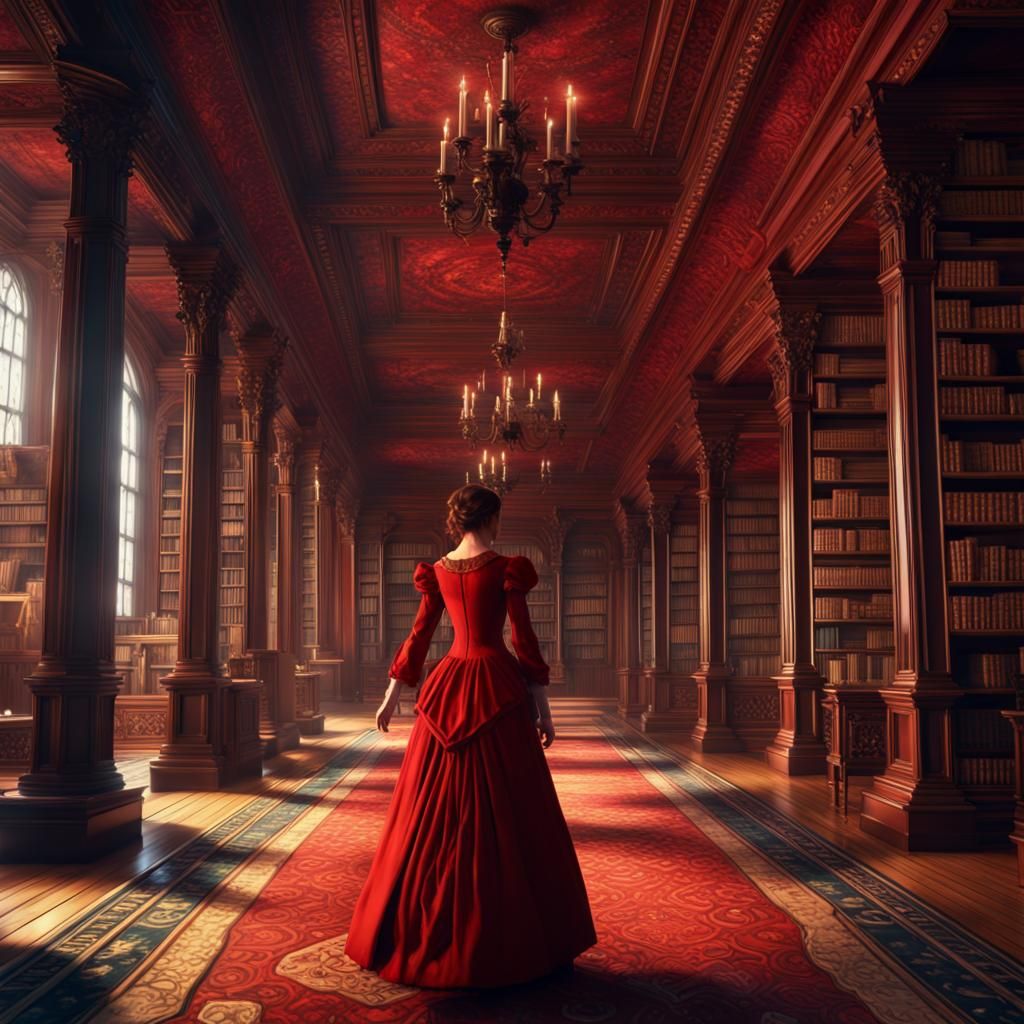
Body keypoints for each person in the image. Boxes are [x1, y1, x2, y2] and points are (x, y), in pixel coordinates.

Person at [345, 484, 596, 988]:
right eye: (498, 518)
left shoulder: (436, 570)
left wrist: (393, 693)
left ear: (459, 521)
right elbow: (524, 645)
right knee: (516, 804)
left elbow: (419, 635)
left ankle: (412, 930)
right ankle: (525, 936)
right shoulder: (507, 569)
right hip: (496, 683)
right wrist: (543, 709)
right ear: (491, 519)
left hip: (450, 678)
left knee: (429, 807)